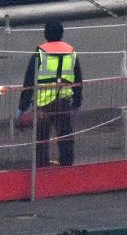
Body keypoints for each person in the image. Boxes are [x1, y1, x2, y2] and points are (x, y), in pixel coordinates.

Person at [17, 20, 83, 166]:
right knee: (65, 136)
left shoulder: (40, 53)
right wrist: (77, 103)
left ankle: (42, 168)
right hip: (63, 102)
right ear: (62, 34)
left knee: (41, 139)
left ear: (45, 34)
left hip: (43, 104)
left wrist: (22, 106)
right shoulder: (71, 52)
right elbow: (78, 79)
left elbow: (29, 80)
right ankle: (67, 165)